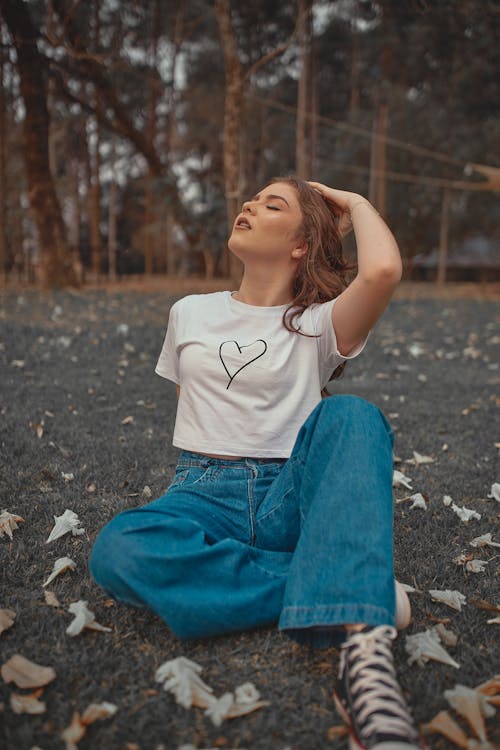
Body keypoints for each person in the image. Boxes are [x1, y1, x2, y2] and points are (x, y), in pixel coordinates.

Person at [89, 176, 422, 750]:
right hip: (201, 490)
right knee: (120, 547)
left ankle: (365, 664)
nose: (247, 205)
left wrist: (356, 203)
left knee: (353, 417)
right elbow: (196, 415)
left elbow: (382, 272)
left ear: (300, 245)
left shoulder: (318, 323)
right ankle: (347, 586)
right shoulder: (189, 312)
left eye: (273, 205)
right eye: (251, 199)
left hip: (287, 494)